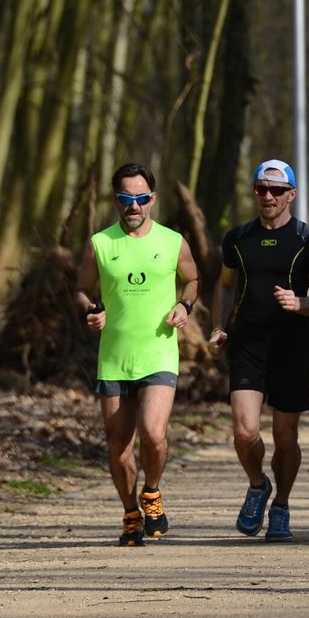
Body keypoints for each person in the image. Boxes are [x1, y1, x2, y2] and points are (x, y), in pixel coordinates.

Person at [75, 162, 199, 546]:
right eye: (126, 198)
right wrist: (90, 311)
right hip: (114, 358)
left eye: (141, 198)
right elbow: (81, 290)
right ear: (117, 201)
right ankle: (131, 513)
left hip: (159, 354)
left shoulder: (173, 241)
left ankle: (153, 491)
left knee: (154, 433)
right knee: (118, 445)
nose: (134, 205)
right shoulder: (99, 244)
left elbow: (192, 279)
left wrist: (186, 306)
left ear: (153, 200)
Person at [210, 159, 309, 543]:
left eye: (276, 190)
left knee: (285, 436)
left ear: (290, 194)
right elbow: (225, 285)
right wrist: (219, 325)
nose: (268, 196)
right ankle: (258, 484)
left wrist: (300, 304)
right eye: (261, 188)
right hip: (247, 342)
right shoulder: (237, 238)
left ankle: (281, 505)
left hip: (292, 344)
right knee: (245, 431)